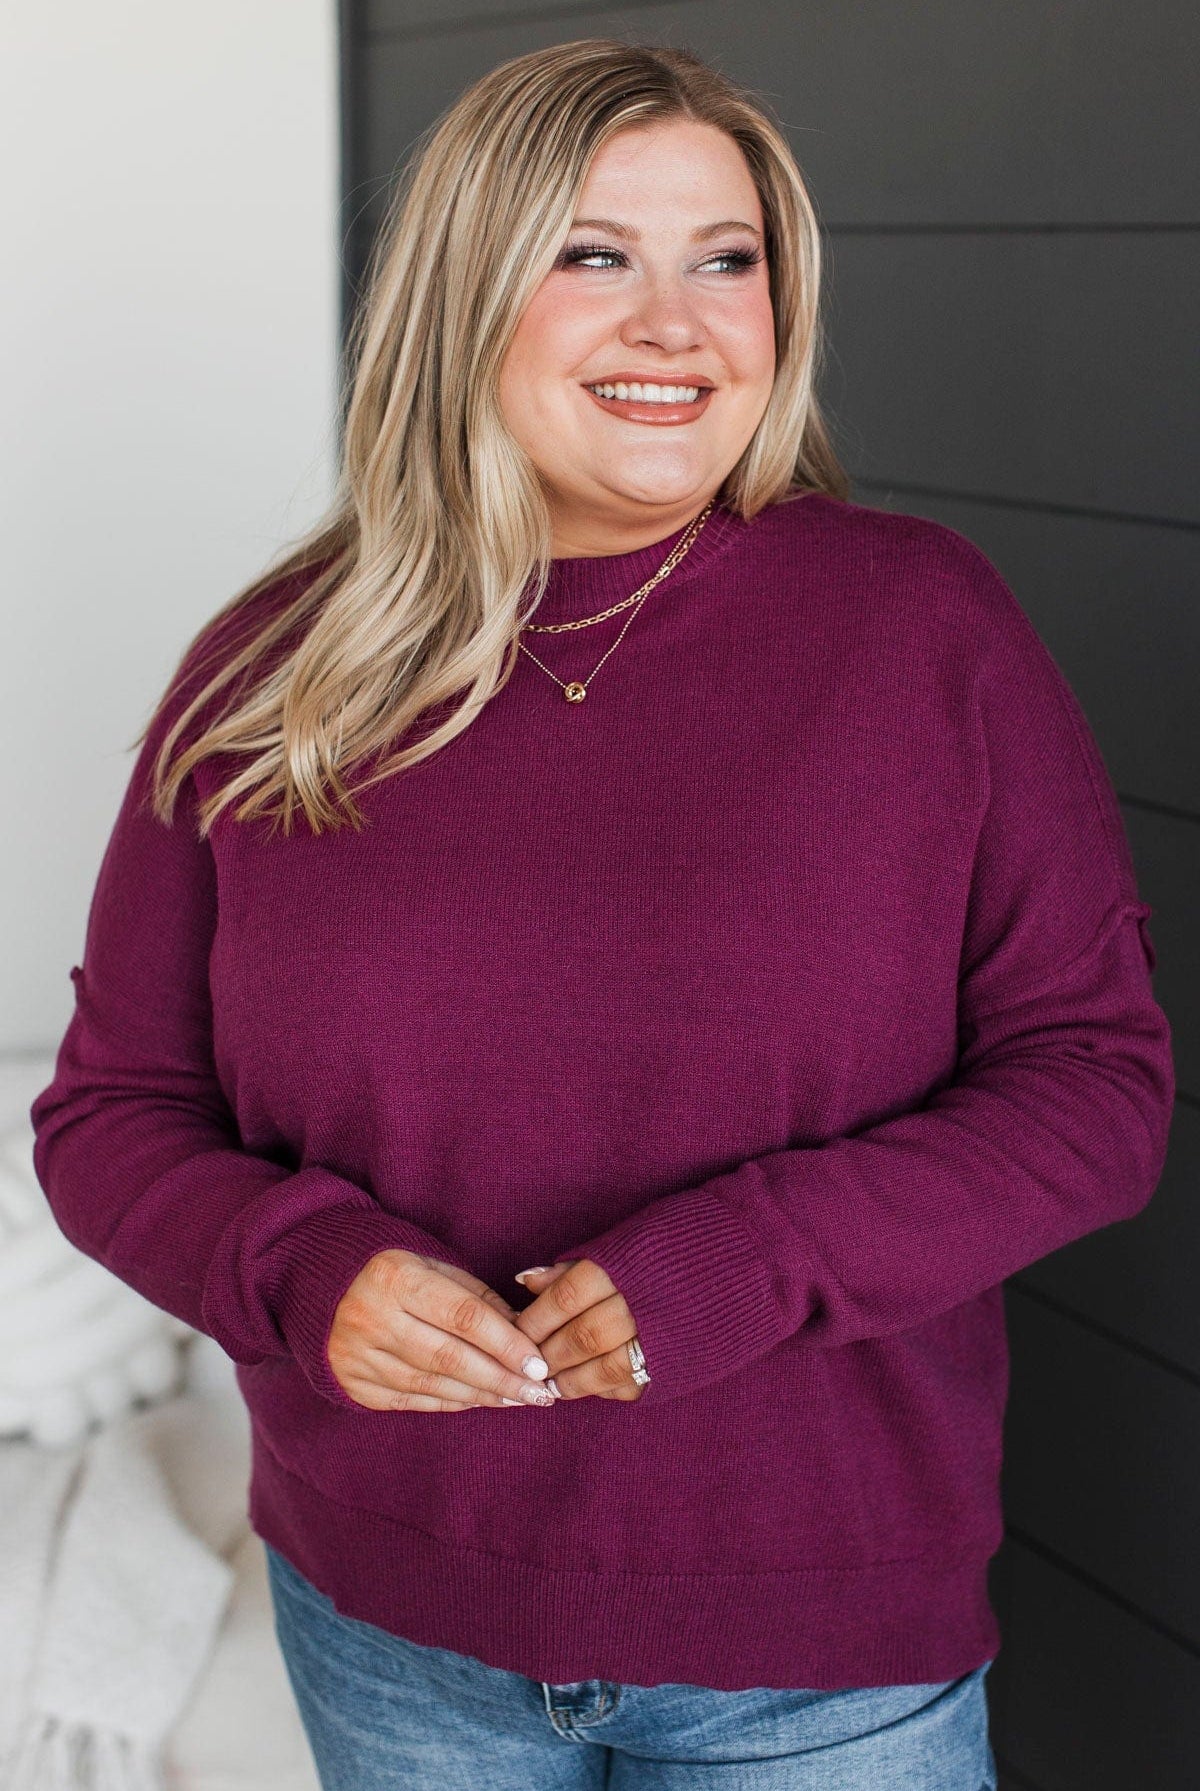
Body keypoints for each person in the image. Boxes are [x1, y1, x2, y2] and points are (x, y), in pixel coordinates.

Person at [29, 36, 1173, 1791]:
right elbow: (113, 1116)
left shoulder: (922, 632)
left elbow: (1095, 1091)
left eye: (726, 259)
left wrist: (755, 1261)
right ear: (463, 297)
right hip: (392, 1631)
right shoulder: (274, 674)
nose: (676, 322)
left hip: (816, 1657)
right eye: (593, 254)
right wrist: (301, 1272)